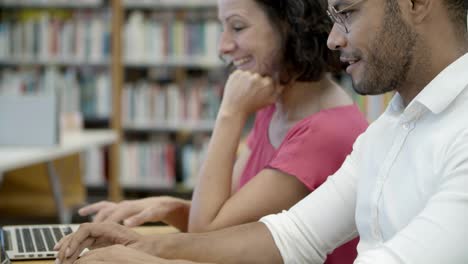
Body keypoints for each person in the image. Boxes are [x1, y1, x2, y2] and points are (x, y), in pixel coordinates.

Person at [73, 0, 366, 262]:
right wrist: (169, 207)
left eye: (237, 27)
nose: (222, 46)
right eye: (222, 28)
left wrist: (230, 114)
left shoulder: (323, 133)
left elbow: (207, 229)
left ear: (290, 26)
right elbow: (229, 218)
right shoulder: (276, 104)